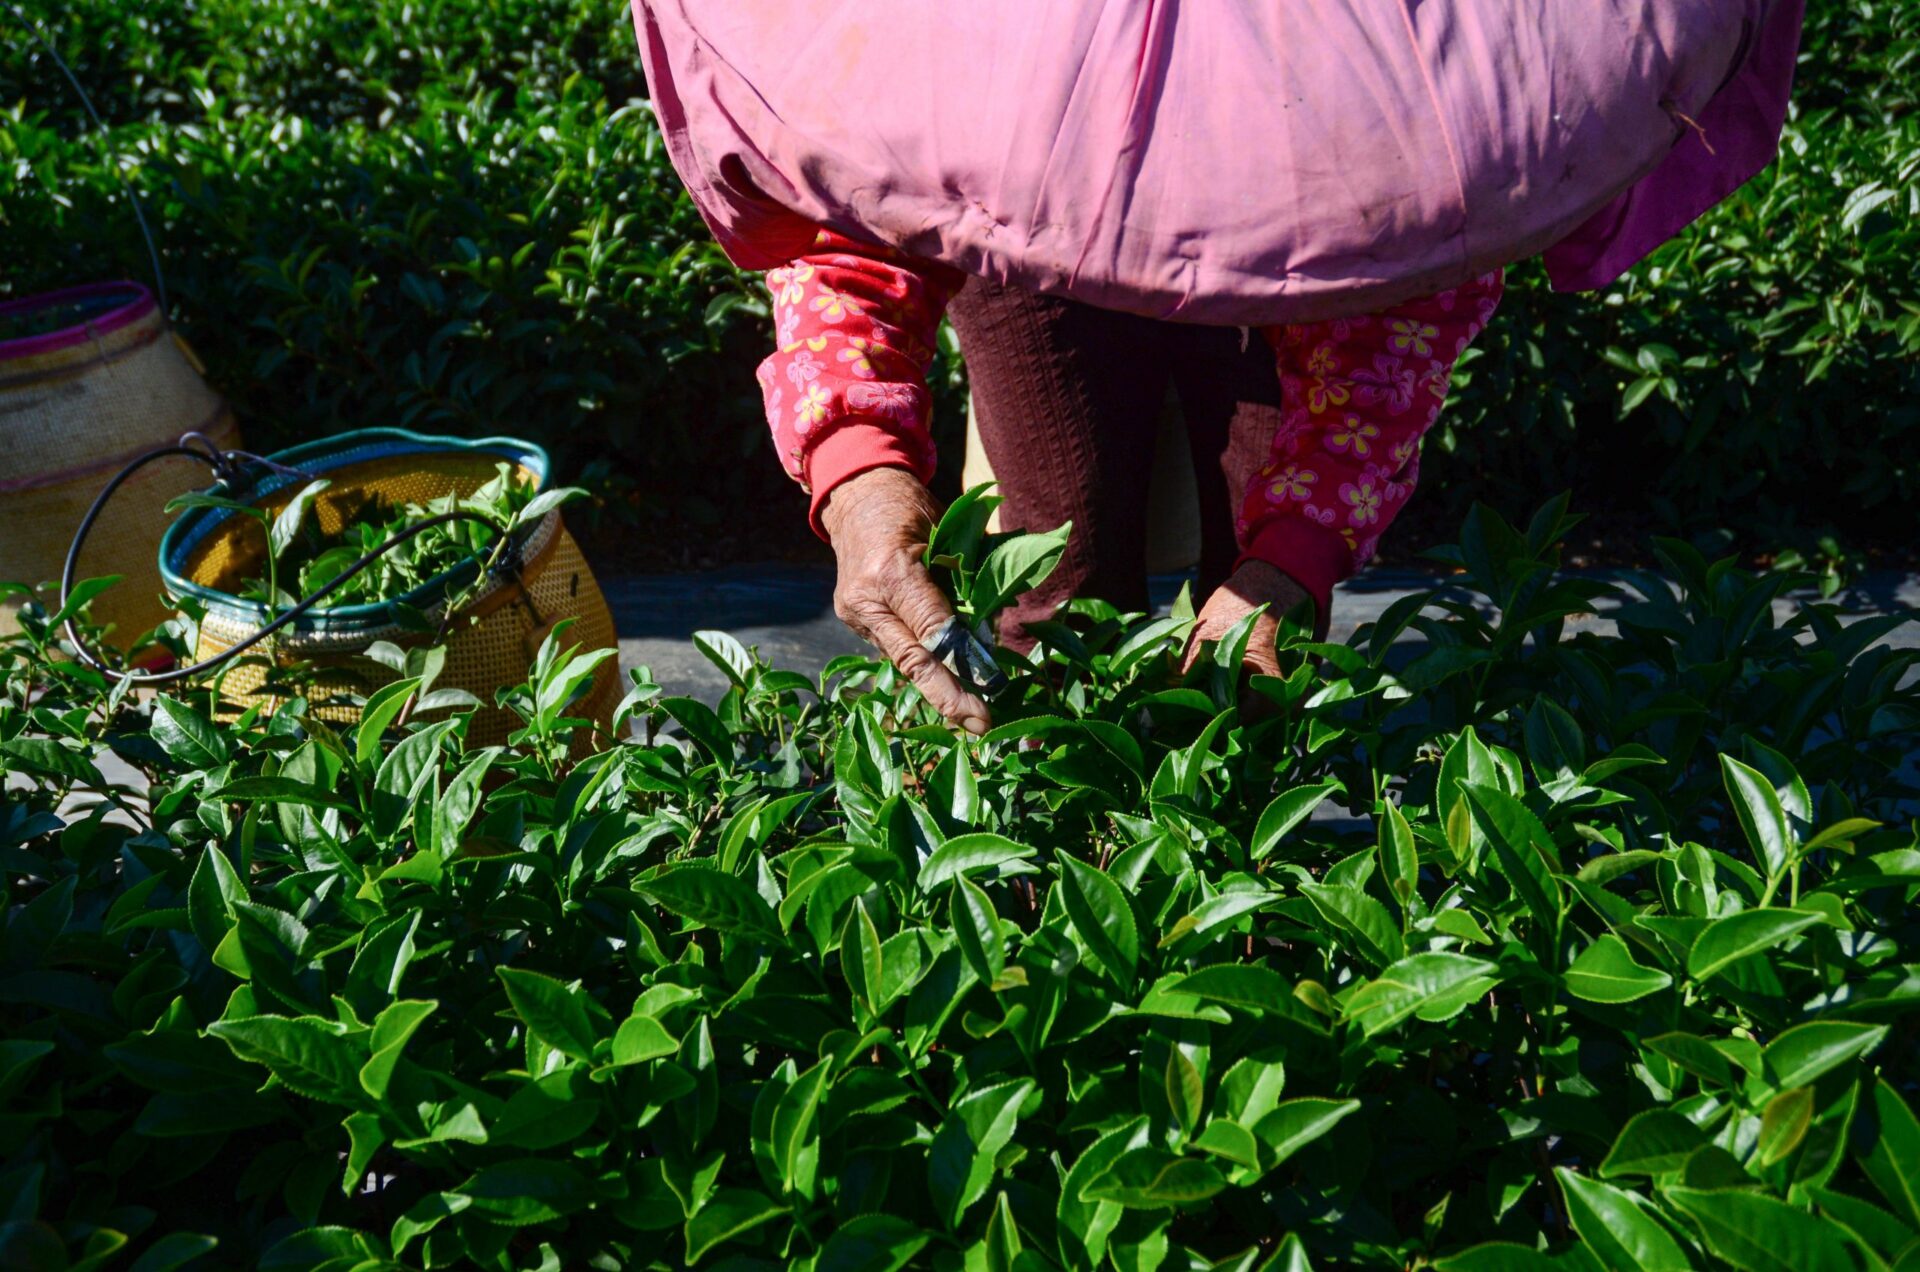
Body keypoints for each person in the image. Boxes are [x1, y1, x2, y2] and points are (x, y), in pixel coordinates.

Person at [633, 0, 1803, 733]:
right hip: (1018, 169)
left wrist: (1293, 555)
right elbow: (846, 210)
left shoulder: (1399, 114)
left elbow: (1395, 327)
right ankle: (1048, 872)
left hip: (1328, 184)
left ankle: (1237, 875)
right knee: (1056, 576)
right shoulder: (970, 75)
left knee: (1249, 632)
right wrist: (863, 479)